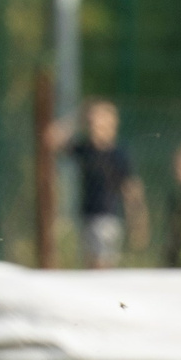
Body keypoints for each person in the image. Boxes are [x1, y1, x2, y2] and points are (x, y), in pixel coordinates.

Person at [52, 99, 143, 269]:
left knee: (102, 266)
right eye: (92, 123)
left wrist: (137, 221)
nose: (94, 127)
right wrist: (78, 118)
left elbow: (131, 189)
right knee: (91, 267)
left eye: (99, 123)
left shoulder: (118, 155)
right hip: (87, 217)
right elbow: (52, 138)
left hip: (108, 218)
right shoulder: (86, 150)